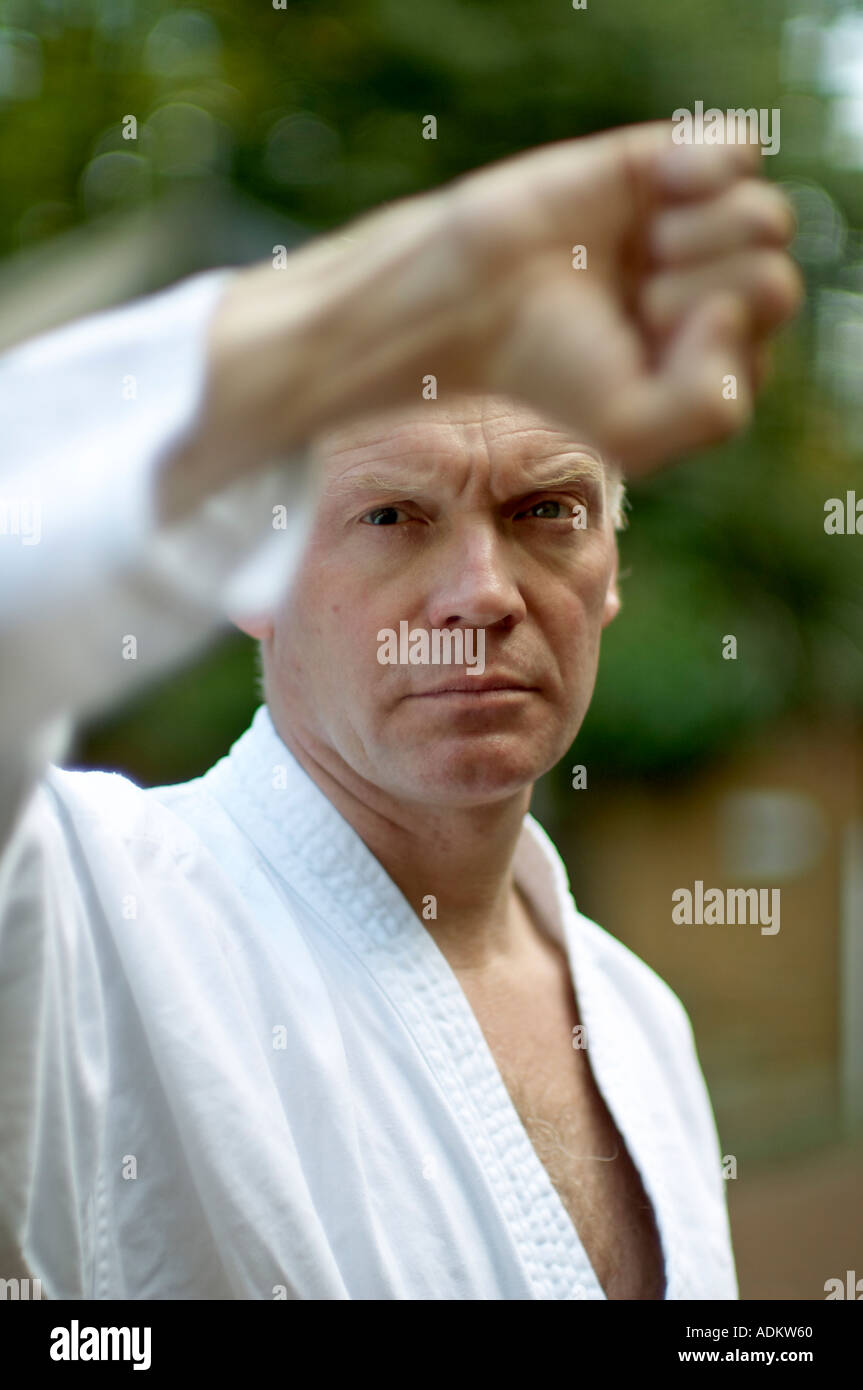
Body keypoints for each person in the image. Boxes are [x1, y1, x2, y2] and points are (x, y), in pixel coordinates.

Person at [0, 121, 802, 1300]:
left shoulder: (640, 1021)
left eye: (544, 511)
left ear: (612, 571)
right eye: (389, 517)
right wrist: (392, 296)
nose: (480, 595)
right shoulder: (94, 924)